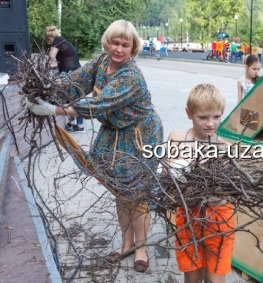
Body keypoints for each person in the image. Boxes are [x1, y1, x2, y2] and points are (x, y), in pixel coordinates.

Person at [28, 19, 164, 273]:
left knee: (136, 193)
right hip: (114, 133)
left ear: (133, 47)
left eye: (125, 45)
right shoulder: (101, 62)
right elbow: (76, 82)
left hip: (139, 136)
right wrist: (47, 86)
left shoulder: (131, 75)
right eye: (115, 42)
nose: (119, 49)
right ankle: (126, 244)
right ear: (108, 42)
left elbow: (97, 106)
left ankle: (141, 248)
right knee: (119, 191)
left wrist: (52, 109)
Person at [166, 83, 235, 283]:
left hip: (219, 218)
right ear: (189, 113)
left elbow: (229, 192)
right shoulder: (177, 139)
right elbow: (169, 180)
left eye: (216, 117)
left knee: (215, 278)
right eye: (202, 117)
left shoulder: (225, 149)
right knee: (192, 274)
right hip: (188, 216)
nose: (210, 123)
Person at [45, 26, 84, 132]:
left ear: (49, 38)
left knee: (70, 97)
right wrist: (53, 67)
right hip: (75, 72)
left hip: (70, 73)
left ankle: (78, 125)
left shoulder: (57, 40)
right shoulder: (63, 41)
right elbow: (64, 61)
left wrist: (44, 67)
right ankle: (73, 124)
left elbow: (51, 56)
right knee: (72, 97)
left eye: (49, 42)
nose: (50, 45)